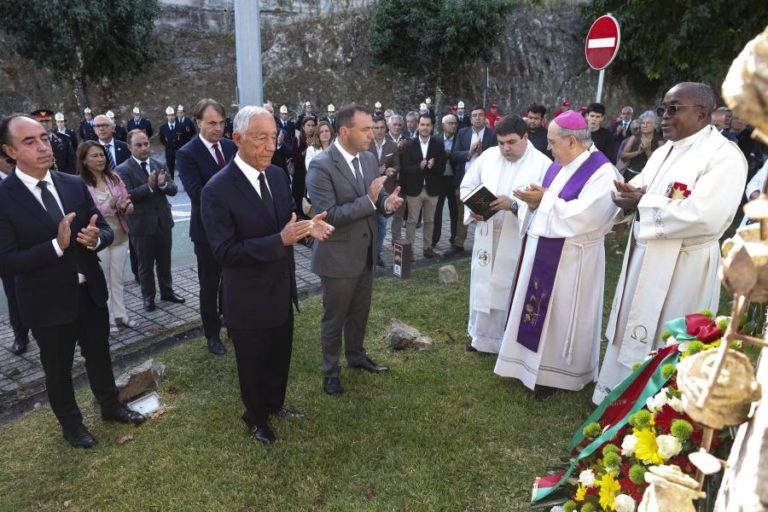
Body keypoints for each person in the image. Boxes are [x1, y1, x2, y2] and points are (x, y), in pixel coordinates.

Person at [594, 82, 748, 405]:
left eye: (673, 109)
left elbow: (707, 215)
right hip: (645, 254)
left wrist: (643, 202)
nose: (664, 116)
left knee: (669, 332)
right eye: (663, 108)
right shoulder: (664, 151)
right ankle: (617, 394)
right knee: (632, 323)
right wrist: (624, 196)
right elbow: (640, 188)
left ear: (702, 113)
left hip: (684, 265)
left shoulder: (725, 157)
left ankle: (662, 405)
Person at [0, 114, 145, 448]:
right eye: (29, 141)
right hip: (46, 301)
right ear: (9, 150)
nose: (42, 146)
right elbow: (6, 262)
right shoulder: (5, 198)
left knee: (99, 354)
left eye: (43, 138)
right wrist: (56, 246)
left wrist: (96, 238)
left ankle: (110, 405)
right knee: (58, 369)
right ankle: (72, 425)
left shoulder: (71, 183)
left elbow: (104, 229)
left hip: (89, 290)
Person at [201, 106, 333, 444]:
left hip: (280, 288)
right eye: (261, 138)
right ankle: (255, 416)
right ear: (238, 139)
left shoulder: (276, 175)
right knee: (252, 361)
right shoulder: (217, 190)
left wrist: (306, 228)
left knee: (279, 354)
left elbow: (284, 226)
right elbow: (224, 252)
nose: (271, 145)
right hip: (246, 297)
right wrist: (279, 241)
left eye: (274, 137)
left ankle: (274, 404)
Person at [494, 111, 620, 400]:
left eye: (552, 142)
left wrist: (544, 200)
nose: (548, 149)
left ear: (572, 140)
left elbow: (586, 217)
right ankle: (527, 366)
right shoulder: (559, 166)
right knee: (537, 309)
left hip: (574, 261)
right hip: (543, 252)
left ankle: (557, 373)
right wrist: (528, 201)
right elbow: (547, 201)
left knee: (563, 314)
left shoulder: (602, 173)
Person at [306, 104, 404, 396]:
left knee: (360, 311)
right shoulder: (321, 165)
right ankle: (330, 371)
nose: (372, 134)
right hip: (336, 258)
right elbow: (329, 215)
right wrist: (373, 201)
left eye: (373, 128)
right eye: (365, 129)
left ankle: (357, 357)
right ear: (345, 131)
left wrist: (386, 203)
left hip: (365, 252)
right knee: (335, 317)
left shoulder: (368, 157)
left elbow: (377, 194)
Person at [460, 115, 551, 354]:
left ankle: (505, 341)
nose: (505, 148)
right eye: (501, 142)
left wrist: (513, 206)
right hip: (487, 234)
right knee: (482, 283)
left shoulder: (542, 164)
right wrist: (474, 209)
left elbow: (547, 204)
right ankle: (479, 336)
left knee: (509, 287)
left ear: (525, 137)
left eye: (511, 142)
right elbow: (467, 185)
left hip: (517, 238)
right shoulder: (488, 156)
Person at [176, 99, 236, 356]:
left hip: (235, 229)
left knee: (233, 282)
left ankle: (233, 323)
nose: (218, 128)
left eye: (222, 123)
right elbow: (198, 194)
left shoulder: (232, 146)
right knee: (209, 285)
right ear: (198, 122)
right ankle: (212, 334)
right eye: (212, 123)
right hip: (207, 233)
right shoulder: (187, 153)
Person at [117, 130, 185, 312]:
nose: (144, 148)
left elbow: (173, 189)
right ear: (130, 147)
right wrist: (148, 186)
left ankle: (167, 291)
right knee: (145, 265)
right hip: (141, 225)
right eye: (139, 145)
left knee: (165, 261)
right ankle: (148, 297)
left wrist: (162, 185)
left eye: (146, 144)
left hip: (163, 222)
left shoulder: (159, 164)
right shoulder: (122, 169)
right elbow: (128, 195)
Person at [77, 141, 136, 333]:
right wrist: (108, 206)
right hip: (99, 240)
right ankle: (108, 319)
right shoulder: (79, 184)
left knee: (118, 278)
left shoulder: (114, 177)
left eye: (102, 155)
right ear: (84, 160)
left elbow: (127, 203)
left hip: (120, 234)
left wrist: (125, 206)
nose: (100, 159)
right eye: (94, 156)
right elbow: (83, 214)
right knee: (104, 281)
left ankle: (121, 315)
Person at [452, 105, 499, 254]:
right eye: (474, 115)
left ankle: (485, 245)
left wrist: (483, 151)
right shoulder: (462, 133)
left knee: (485, 214)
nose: (477, 118)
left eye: (480, 115)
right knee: (462, 215)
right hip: (465, 182)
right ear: (470, 118)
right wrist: (469, 152)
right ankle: (458, 244)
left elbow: (498, 158)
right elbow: (454, 155)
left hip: (485, 183)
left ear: (485, 118)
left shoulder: (492, 135)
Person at [400, 113, 445, 258]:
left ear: (432, 127)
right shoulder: (409, 145)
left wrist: (434, 165)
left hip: (432, 189)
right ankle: (410, 251)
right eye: (422, 124)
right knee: (412, 221)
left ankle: (427, 248)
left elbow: (442, 167)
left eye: (428, 125)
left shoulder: (438, 144)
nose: (425, 128)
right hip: (414, 189)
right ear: (418, 125)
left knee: (430, 221)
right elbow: (405, 168)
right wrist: (419, 166)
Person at [0, 154, 30, 355]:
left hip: (34, 242)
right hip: (7, 249)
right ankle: (20, 335)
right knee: (13, 292)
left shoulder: (27, 175)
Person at [368, 115, 399, 266]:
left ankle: (377, 253)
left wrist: (393, 170)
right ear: (371, 129)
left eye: (381, 128)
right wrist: (379, 171)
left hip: (386, 191)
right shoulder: (365, 145)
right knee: (369, 226)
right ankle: (368, 253)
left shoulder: (392, 146)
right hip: (368, 192)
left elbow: (398, 165)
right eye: (376, 128)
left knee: (382, 224)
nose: (379, 131)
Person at [433, 114, 459, 248]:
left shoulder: (459, 139)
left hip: (454, 180)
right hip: (440, 179)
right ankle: (434, 239)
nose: (453, 125)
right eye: (450, 123)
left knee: (455, 211)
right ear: (443, 125)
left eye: (455, 123)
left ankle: (454, 238)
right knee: (437, 211)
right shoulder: (436, 139)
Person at [619, 111, 664, 182]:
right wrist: (638, 152)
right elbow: (623, 156)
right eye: (643, 123)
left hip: (649, 177)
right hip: (631, 175)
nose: (644, 125)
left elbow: (660, 162)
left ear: (655, 125)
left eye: (648, 123)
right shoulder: (634, 137)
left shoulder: (660, 141)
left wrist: (647, 150)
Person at [32, 109, 76, 174]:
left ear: (51, 122)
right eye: (41, 121)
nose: (44, 124)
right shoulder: (31, 142)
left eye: (47, 121)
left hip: (64, 177)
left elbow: (72, 161)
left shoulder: (63, 138)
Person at [292, 115, 316, 218]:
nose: (311, 128)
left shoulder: (317, 140)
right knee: (299, 200)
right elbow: (295, 159)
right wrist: (308, 149)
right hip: (300, 176)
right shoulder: (297, 139)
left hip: (312, 176)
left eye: (313, 125)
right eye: (308, 125)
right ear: (303, 127)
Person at [159, 107, 181, 178]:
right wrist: (167, 145)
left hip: (179, 150)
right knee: (170, 169)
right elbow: (162, 139)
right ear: (166, 116)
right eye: (169, 115)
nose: (171, 117)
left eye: (172, 115)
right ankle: (172, 185)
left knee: (182, 168)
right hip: (169, 151)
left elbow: (183, 138)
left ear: (175, 115)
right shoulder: (163, 128)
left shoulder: (180, 126)